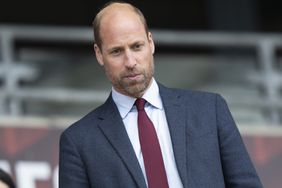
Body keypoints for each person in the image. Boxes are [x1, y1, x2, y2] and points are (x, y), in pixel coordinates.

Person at [59, 1, 263, 188]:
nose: (130, 62)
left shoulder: (210, 109)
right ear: (99, 54)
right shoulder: (79, 142)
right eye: (116, 51)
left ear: (151, 43)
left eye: (137, 46)